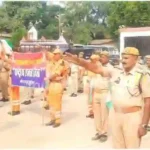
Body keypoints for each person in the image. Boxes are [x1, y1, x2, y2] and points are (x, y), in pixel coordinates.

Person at [64, 47, 150, 148]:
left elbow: (148, 101)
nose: (123, 60)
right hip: (115, 114)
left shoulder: (142, 75)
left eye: (126, 58)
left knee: (132, 147)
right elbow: (96, 69)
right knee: (118, 146)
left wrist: (144, 125)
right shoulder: (116, 71)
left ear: (136, 59)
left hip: (132, 116)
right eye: (122, 58)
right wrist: (79, 61)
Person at [92, 51, 113, 142]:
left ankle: (104, 133)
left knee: (104, 114)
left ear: (108, 58)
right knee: (96, 114)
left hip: (105, 93)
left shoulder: (111, 68)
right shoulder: (97, 67)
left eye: (104, 57)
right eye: (101, 56)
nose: (101, 58)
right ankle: (99, 131)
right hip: (96, 93)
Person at [46, 48, 66, 128]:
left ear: (59, 55)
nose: (54, 55)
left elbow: (57, 73)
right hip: (51, 83)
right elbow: (48, 72)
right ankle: (52, 119)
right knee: (51, 102)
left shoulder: (62, 63)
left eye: (56, 54)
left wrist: (49, 77)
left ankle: (57, 120)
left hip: (58, 84)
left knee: (57, 103)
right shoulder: (52, 63)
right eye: (54, 54)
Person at [85, 54, 99, 119]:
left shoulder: (98, 66)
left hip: (95, 84)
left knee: (94, 99)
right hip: (89, 83)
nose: (91, 60)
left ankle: (95, 113)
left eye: (93, 59)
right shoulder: (89, 64)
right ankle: (91, 112)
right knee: (89, 99)